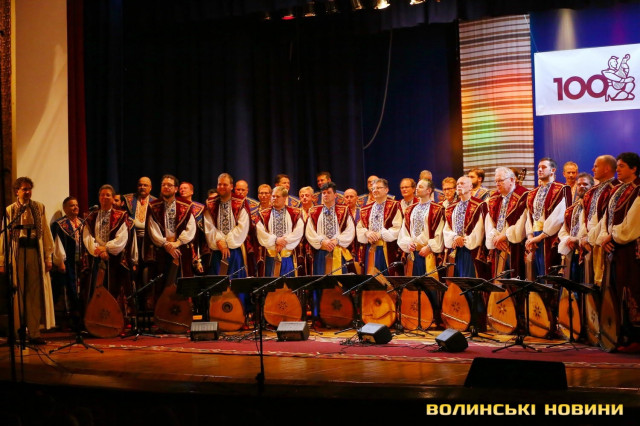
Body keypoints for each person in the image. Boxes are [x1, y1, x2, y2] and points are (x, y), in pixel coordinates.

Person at [0, 177, 55, 345]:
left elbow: (45, 232)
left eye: (29, 189)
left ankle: (34, 332)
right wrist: (2, 260)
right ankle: (17, 331)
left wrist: (48, 256)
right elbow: (4, 236)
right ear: (17, 191)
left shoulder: (39, 207)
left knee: (34, 292)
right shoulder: (10, 210)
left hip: (34, 252)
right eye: (24, 189)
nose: (28, 192)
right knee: (17, 292)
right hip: (17, 253)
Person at [596, 152, 640, 344]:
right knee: (615, 289)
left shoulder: (638, 190)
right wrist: (603, 238)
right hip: (614, 249)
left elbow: (633, 223)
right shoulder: (617, 190)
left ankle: (634, 338)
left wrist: (612, 236)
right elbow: (606, 218)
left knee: (631, 290)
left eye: (621, 166)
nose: (618, 169)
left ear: (634, 168)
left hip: (630, 251)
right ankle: (618, 334)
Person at [305, 182, 355, 319]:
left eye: (328, 192)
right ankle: (320, 316)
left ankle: (342, 316)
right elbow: (309, 232)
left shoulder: (344, 210)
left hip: (338, 252)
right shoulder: (314, 211)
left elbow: (350, 230)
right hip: (321, 253)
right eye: (323, 193)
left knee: (339, 283)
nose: (326, 195)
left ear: (335, 195)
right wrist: (322, 241)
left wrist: (336, 240)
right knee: (321, 283)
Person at [83, 184, 135, 314]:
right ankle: (95, 317)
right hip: (96, 257)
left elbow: (122, 238)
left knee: (114, 288)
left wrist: (106, 248)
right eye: (102, 195)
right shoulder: (91, 216)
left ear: (113, 198)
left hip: (114, 258)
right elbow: (87, 237)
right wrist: (98, 251)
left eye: (108, 195)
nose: (104, 197)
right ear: (99, 198)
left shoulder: (121, 215)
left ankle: (114, 317)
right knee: (96, 288)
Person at [145, 175, 197, 304]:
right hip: (162, 251)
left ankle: (184, 313)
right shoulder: (153, 206)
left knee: (182, 284)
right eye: (164, 185)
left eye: (169, 185)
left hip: (181, 251)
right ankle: (162, 312)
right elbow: (152, 229)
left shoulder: (186, 205)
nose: (166, 187)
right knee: (162, 283)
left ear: (176, 189)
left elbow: (191, 228)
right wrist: (166, 244)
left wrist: (177, 243)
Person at [397, 179, 445, 313]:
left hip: (429, 253)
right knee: (414, 286)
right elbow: (404, 230)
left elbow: (440, 231)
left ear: (429, 190)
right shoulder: (410, 209)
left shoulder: (437, 209)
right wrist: (408, 243)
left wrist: (429, 247)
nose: (417, 189)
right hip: (414, 254)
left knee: (429, 286)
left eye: (420, 187)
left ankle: (433, 315)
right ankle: (416, 314)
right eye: (417, 186)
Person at [525, 158, 571, 277]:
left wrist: (540, 237)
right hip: (535, 237)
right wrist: (530, 237)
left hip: (550, 237)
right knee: (536, 275)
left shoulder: (561, 189)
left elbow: (559, 217)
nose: (540, 170)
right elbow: (529, 217)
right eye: (539, 167)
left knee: (549, 275)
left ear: (553, 170)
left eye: (544, 167)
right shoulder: (532, 193)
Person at [484, 167, 529, 279]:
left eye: (500, 180)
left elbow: (523, 221)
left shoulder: (524, 195)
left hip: (515, 244)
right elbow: (489, 222)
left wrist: (505, 236)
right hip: (498, 245)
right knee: (499, 280)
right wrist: (495, 238)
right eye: (496, 181)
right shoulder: (494, 198)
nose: (497, 184)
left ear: (512, 180)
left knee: (515, 278)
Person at [581, 155, 619, 285]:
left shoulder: (615, 188)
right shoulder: (592, 191)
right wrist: (583, 237)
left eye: (596, 166)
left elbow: (607, 219)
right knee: (590, 283)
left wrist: (590, 238)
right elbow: (585, 217)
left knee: (604, 284)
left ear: (607, 168)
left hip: (602, 242)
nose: (592, 169)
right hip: (589, 243)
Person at [204, 173, 250, 278]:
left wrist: (226, 242)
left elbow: (242, 226)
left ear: (231, 186)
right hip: (217, 248)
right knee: (218, 282)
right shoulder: (210, 203)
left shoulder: (240, 202)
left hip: (234, 249)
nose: (221, 187)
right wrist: (220, 241)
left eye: (225, 184)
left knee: (235, 283)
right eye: (219, 184)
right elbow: (209, 226)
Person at [356, 178, 402, 275]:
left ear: (386, 190)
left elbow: (397, 227)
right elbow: (359, 227)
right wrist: (367, 233)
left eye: (378, 188)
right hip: (370, 248)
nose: (375, 190)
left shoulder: (394, 205)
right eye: (373, 188)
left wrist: (380, 234)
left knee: (385, 279)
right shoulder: (366, 209)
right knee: (371, 278)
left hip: (387, 249)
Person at [443, 176, 486, 278]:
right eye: (457, 184)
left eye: (462, 184)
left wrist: (464, 240)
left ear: (470, 187)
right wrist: (455, 237)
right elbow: (447, 228)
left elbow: (480, 228)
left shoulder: (479, 205)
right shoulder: (451, 207)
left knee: (468, 280)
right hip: (455, 248)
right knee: (456, 280)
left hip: (470, 249)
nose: (459, 186)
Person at [51, 196, 84, 329]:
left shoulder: (83, 222)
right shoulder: (59, 225)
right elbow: (56, 245)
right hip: (67, 261)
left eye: (76, 205)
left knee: (80, 289)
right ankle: (67, 319)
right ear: (65, 209)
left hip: (81, 261)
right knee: (67, 289)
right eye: (72, 205)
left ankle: (81, 318)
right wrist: (60, 261)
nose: (75, 207)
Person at [256, 186, 304, 277]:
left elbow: (298, 232)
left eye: (277, 196)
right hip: (270, 257)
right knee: (271, 283)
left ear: (285, 198)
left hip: (287, 256)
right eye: (273, 196)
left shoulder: (295, 213)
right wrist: (275, 240)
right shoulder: (263, 214)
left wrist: (284, 241)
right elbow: (261, 233)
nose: (274, 198)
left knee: (288, 284)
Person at [558, 173, 594, 283]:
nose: (582, 186)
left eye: (585, 184)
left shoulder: (594, 206)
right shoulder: (572, 209)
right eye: (579, 184)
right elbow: (563, 231)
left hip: (588, 250)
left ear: (592, 186)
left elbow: (591, 228)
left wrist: (577, 240)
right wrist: (568, 239)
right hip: (572, 251)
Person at [179, 181, 209, 274]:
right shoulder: (176, 206)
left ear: (192, 192)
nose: (182, 190)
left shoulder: (200, 208)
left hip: (197, 241)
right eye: (181, 188)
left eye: (185, 188)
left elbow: (204, 228)